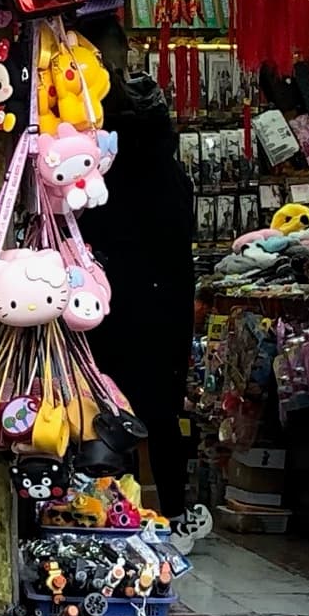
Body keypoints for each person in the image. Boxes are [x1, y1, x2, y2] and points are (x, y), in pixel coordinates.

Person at [81, 71, 201, 506]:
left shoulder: (105, 178)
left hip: (114, 303)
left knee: (112, 406)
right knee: (163, 411)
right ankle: (173, 504)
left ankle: (119, 501)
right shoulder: (173, 177)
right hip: (167, 305)